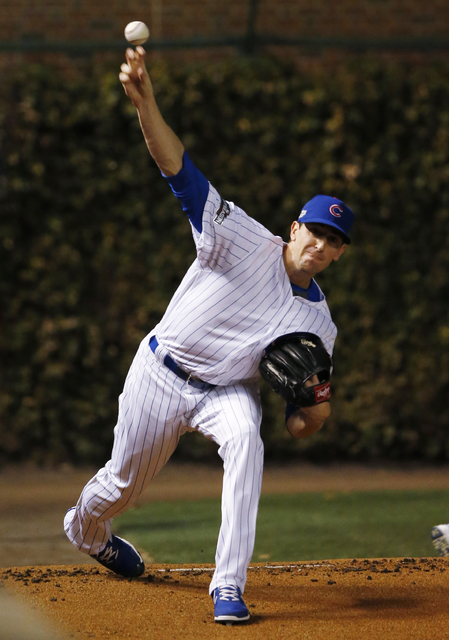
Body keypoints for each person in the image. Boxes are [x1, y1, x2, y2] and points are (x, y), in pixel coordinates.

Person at [64, 46, 354, 625]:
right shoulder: (240, 236)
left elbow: (301, 424)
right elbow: (178, 169)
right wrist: (145, 104)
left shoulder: (321, 326)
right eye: (315, 232)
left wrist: (316, 409)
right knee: (120, 487)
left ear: (340, 253)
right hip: (162, 371)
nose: (321, 245)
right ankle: (86, 531)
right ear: (294, 228)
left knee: (248, 439)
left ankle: (228, 587)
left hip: (227, 392)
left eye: (334, 241)